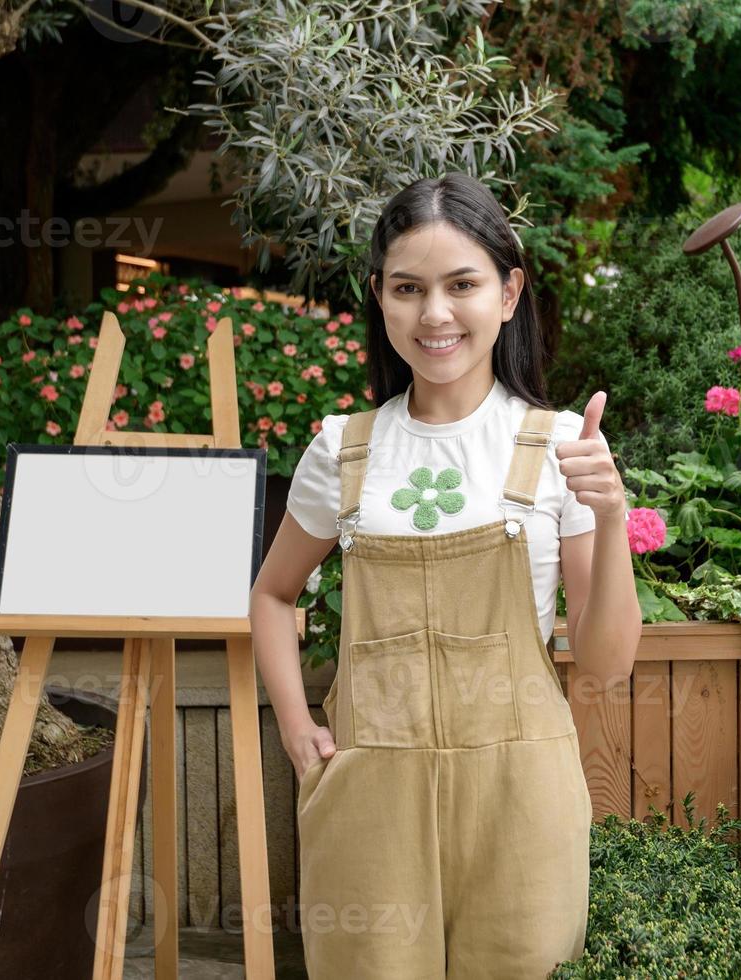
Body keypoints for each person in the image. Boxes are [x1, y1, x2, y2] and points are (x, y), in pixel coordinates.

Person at [248, 172, 641, 979]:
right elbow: (271, 593)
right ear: (380, 299)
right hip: (368, 795)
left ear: (507, 293)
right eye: (407, 288)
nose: (434, 313)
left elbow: (605, 666)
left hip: (519, 796)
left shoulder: (560, 445)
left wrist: (608, 516)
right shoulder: (343, 449)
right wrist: (296, 730)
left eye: (460, 284)